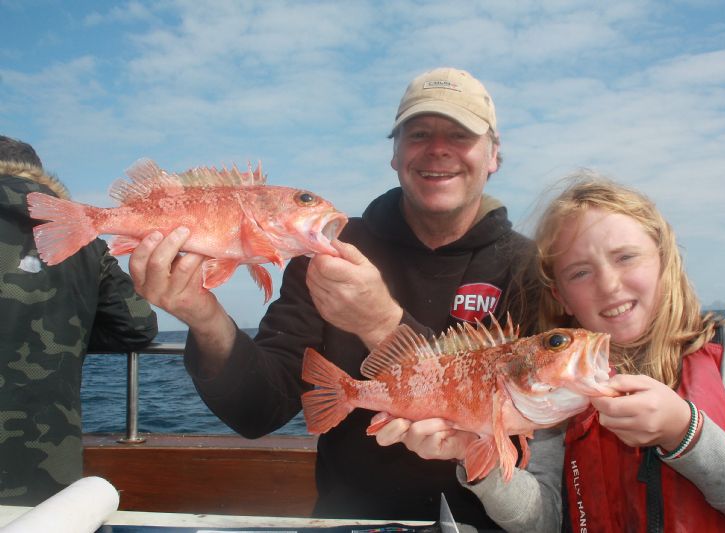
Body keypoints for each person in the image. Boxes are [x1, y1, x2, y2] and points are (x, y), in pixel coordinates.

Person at [128, 67, 534, 528]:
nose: (438, 149)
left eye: (460, 134)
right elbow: (260, 408)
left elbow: (537, 431)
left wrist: (381, 323)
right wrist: (204, 318)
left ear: (493, 155)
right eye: (418, 133)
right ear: (396, 154)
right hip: (349, 520)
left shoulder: (530, 267)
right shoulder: (325, 250)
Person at [375, 171, 725, 532]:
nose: (609, 284)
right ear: (560, 296)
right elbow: (541, 520)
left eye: (626, 257)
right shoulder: (552, 384)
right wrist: (474, 455)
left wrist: (685, 433)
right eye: (581, 272)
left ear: (663, 257)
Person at [0, 135, 159, 505]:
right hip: (42, 467)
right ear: (41, 178)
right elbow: (137, 326)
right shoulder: (84, 241)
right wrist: (72, 330)